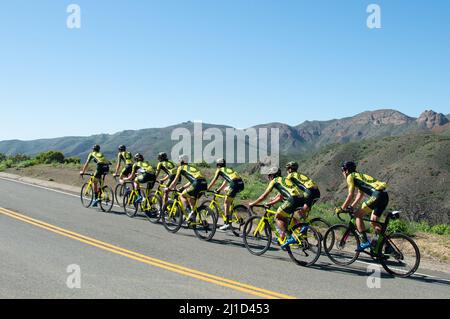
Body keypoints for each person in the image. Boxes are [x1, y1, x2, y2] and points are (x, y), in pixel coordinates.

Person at [249, 167, 305, 249]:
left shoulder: (274, 181)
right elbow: (281, 196)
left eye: (270, 176)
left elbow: (264, 196)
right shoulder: (284, 180)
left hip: (292, 199)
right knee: (285, 217)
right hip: (301, 198)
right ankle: (286, 238)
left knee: (278, 217)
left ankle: (289, 238)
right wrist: (270, 202)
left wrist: (253, 203)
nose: (269, 178)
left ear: (272, 175)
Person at [337, 161, 389, 252]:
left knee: (358, 215)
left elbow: (351, 195)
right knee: (374, 222)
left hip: (377, 196)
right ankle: (387, 246)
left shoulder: (350, 176)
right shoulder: (359, 176)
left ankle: (364, 241)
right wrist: (352, 206)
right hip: (384, 195)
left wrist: (342, 208)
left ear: (346, 171)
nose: (342, 174)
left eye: (342, 171)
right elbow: (359, 195)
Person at [166, 155, 207, 222]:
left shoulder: (180, 168)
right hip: (204, 183)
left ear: (181, 161)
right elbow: (192, 181)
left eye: (179, 161)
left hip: (197, 183)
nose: (178, 162)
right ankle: (193, 219)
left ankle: (189, 212)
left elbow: (175, 180)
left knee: (182, 195)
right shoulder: (192, 167)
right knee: (191, 198)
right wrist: (183, 187)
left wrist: (169, 188)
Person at [207, 158, 245, 231]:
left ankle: (226, 223)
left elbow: (214, 180)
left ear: (218, 165)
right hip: (241, 184)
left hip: (234, 184)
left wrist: (208, 188)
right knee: (227, 192)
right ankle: (238, 218)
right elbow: (225, 182)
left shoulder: (219, 170)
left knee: (226, 202)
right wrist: (219, 190)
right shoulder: (228, 170)